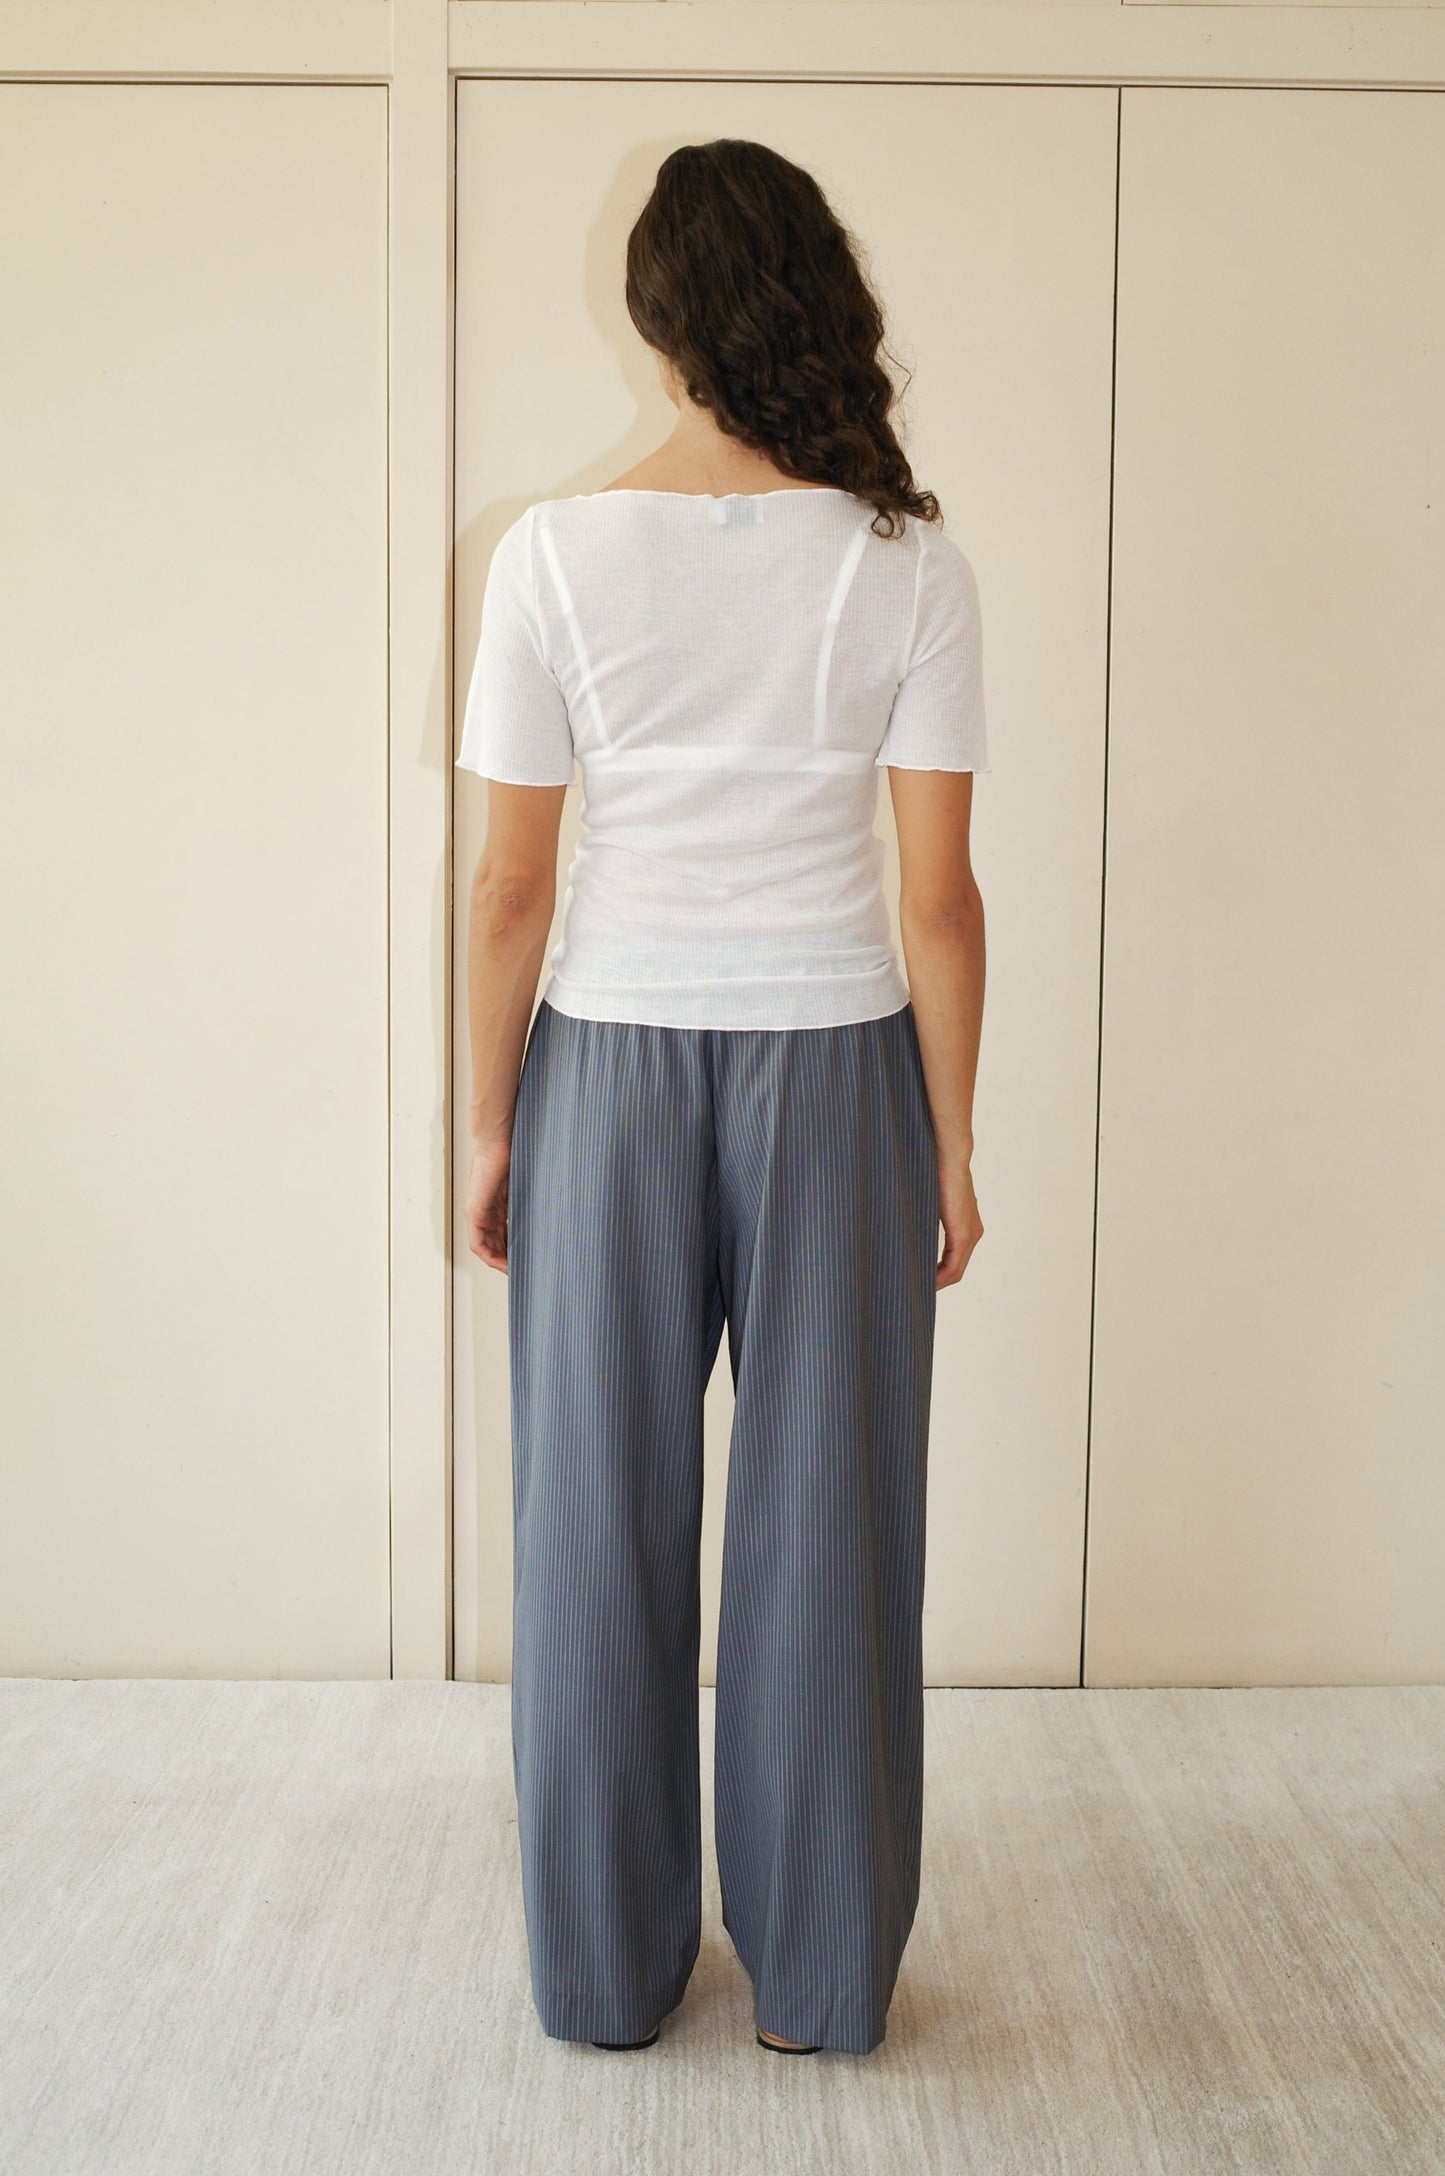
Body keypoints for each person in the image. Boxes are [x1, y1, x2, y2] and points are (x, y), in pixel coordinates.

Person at [456, 138, 988, 2060]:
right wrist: (943, 1138)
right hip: (839, 1068)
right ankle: (825, 1982)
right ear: (814, 295)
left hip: (603, 1060)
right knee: (832, 1525)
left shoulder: (551, 555)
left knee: (592, 1516)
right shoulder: (906, 559)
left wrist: (495, 1121)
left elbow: (511, 880)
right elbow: (935, 896)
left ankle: (603, 1979)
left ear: (656, 316)